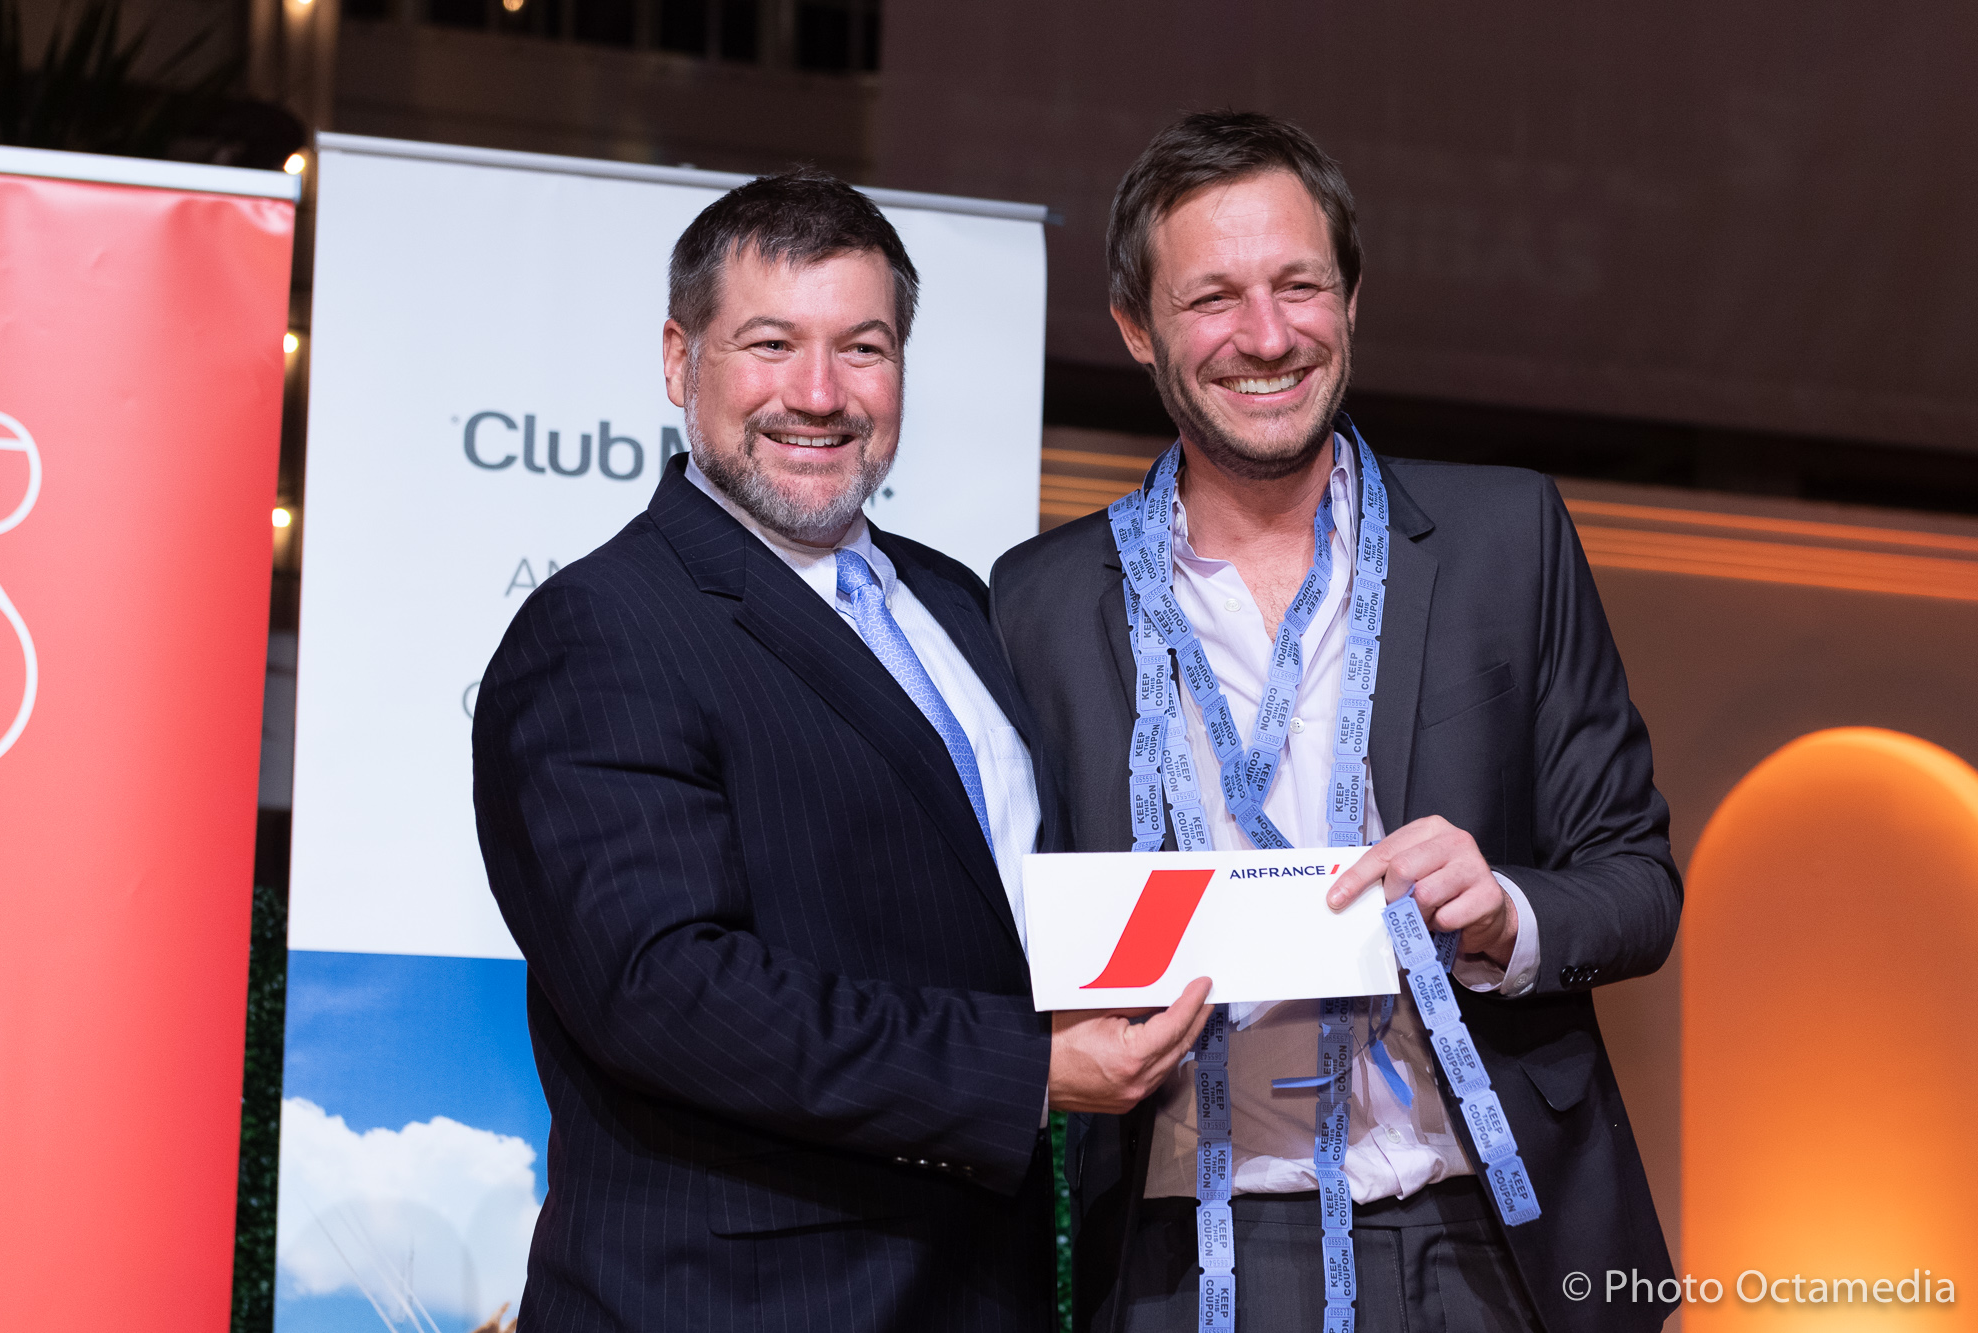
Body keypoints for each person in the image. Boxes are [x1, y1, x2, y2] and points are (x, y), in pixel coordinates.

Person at [472, 167, 1211, 1333]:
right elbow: (664, 990)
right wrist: (1023, 1071)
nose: (817, 395)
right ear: (678, 360)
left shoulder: (955, 601)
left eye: (861, 348)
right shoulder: (600, 629)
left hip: (976, 1291)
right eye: (769, 344)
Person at [991, 113, 1681, 1333]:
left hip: (1488, 1235)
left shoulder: (1504, 540)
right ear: (1136, 328)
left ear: (1349, 299)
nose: (1266, 336)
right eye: (1212, 298)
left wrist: (1500, 913)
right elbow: (998, 927)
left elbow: (1634, 881)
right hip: (1185, 1254)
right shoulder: (1038, 603)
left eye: (1298, 285)